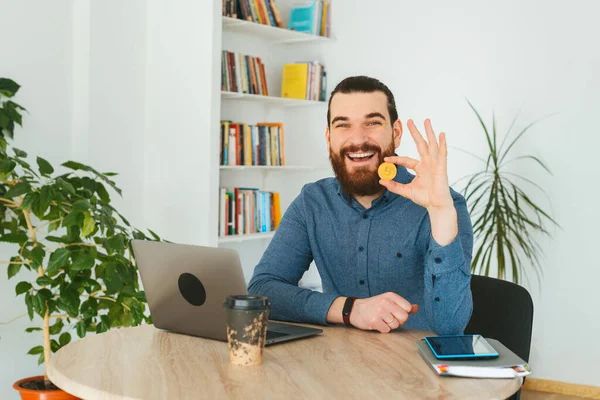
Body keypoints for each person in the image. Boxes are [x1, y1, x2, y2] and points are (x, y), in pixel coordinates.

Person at [248, 76, 473, 335]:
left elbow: (451, 326)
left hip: (417, 368)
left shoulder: (446, 205)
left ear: (396, 133)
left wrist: (441, 213)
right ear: (329, 136)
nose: (357, 139)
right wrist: (349, 309)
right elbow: (262, 289)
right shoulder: (313, 202)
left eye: (373, 122)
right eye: (343, 125)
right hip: (341, 365)